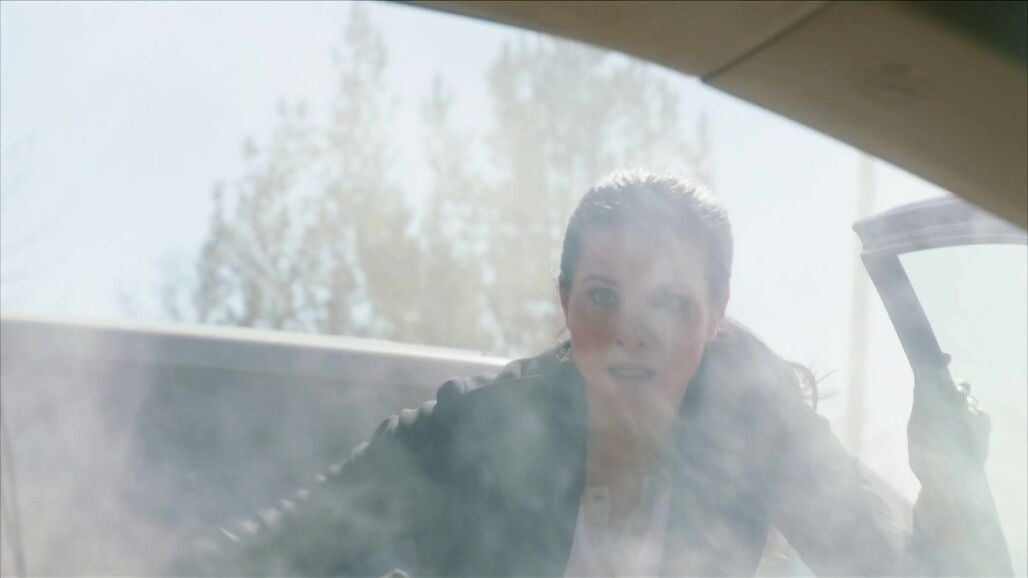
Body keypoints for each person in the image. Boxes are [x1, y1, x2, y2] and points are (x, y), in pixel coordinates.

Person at [177, 171, 1010, 576]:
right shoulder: (474, 432)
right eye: (603, 297)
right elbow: (259, 561)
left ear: (715, 315)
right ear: (565, 303)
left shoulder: (755, 426)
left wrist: (950, 486)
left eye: (670, 303)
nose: (630, 335)